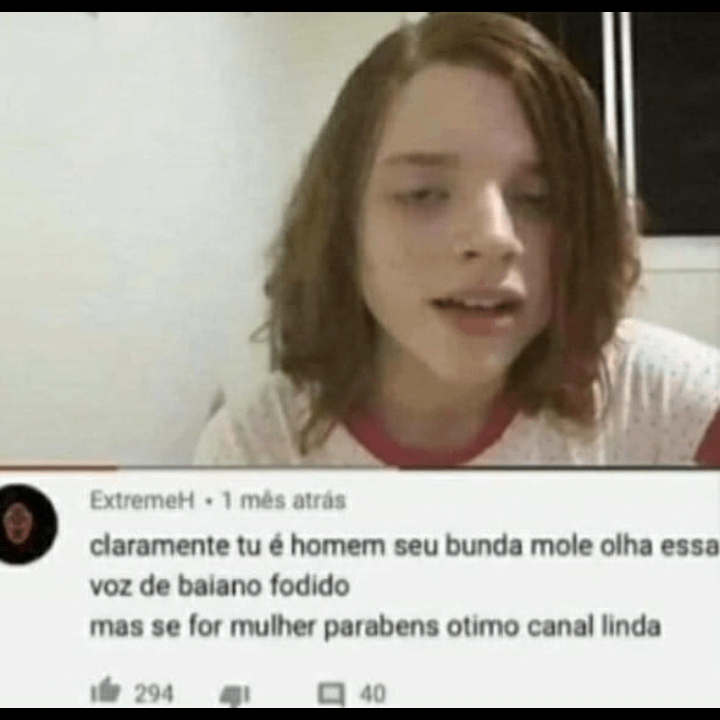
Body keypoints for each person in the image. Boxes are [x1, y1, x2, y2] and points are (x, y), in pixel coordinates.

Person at [194, 12, 720, 467]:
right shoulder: (255, 450)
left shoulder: (668, 404)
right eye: (423, 194)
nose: (493, 238)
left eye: (538, 198)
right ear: (342, 224)